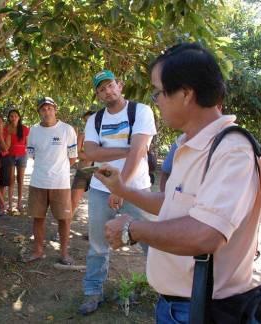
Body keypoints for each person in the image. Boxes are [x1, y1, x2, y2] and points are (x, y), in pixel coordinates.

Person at [96, 43, 261, 323]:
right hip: (178, 306)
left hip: (203, 309)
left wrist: (132, 229)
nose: (156, 100)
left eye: (159, 92)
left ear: (186, 94)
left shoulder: (231, 149)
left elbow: (206, 234)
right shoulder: (192, 143)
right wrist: (123, 189)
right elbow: (173, 202)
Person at [79, 70, 156, 315]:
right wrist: (129, 150)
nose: (107, 91)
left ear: (120, 85)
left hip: (137, 188)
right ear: (98, 94)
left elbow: (139, 150)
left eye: (110, 85)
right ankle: (93, 292)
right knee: (98, 244)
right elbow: (91, 153)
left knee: (152, 241)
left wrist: (121, 187)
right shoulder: (95, 120)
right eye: (101, 89)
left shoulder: (141, 111)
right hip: (101, 188)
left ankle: (165, 289)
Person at [24, 97, 77, 264]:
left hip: (60, 183)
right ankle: (38, 251)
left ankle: (64, 253)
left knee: (64, 219)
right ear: (39, 112)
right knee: (38, 218)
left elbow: (73, 158)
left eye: (49, 108)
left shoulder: (67, 130)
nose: (46, 112)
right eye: (43, 109)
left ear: (55, 109)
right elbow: (32, 155)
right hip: (38, 181)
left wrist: (57, 170)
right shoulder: (33, 131)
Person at [71, 110, 96, 214]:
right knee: (73, 201)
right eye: (86, 121)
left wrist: (89, 156)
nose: (88, 123)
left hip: (98, 172)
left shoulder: (103, 135)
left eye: (91, 120)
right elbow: (77, 154)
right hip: (84, 170)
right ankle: (65, 227)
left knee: (97, 204)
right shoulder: (82, 135)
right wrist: (93, 156)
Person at [5, 109, 29, 214]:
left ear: (19, 117)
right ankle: (9, 205)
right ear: (9, 118)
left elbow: (28, 144)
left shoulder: (24, 129)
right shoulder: (6, 129)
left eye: (15, 116)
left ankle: (19, 204)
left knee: (20, 180)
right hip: (10, 156)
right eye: (11, 116)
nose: (13, 117)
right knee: (11, 180)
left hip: (22, 156)